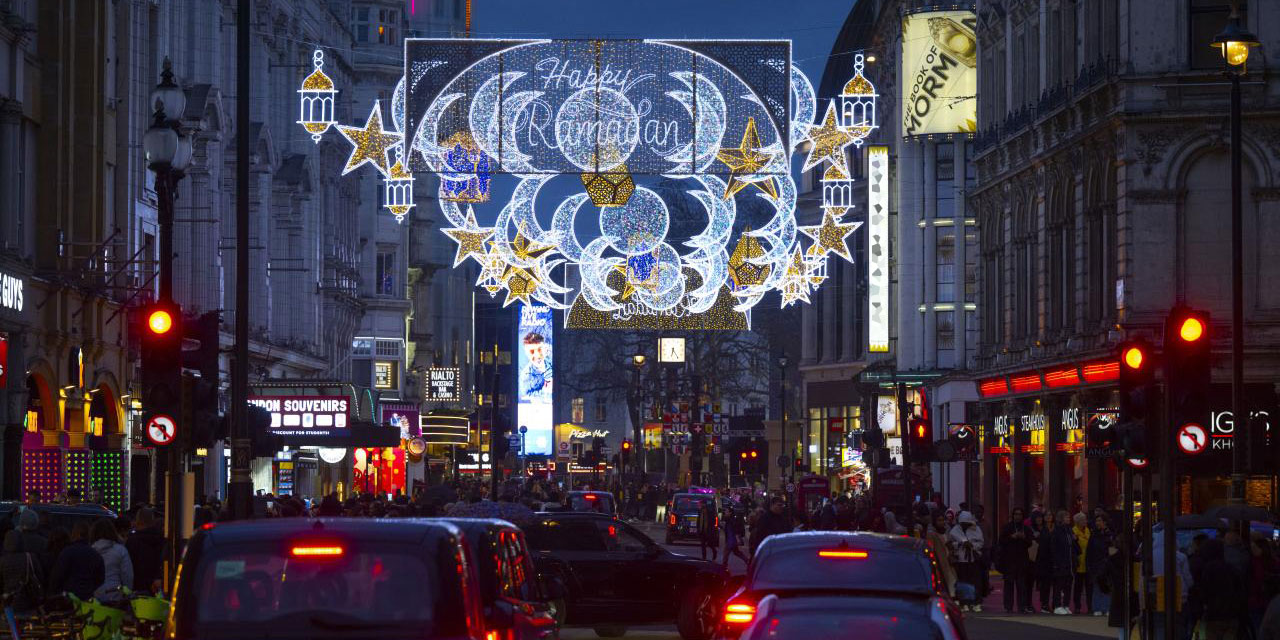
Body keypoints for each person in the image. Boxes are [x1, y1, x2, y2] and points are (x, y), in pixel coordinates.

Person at [1190, 538, 1243, 640]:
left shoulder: (1208, 569)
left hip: (1212, 616)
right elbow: (1240, 592)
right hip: (1231, 616)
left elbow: (1204, 593)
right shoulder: (1231, 568)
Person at [49, 521, 105, 600]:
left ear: (75, 534)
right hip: (87, 596)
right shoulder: (95, 554)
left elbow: (57, 576)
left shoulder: (67, 552)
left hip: (69, 596)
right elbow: (101, 578)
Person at [948, 511, 985, 612]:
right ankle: (964, 603)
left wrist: (972, 545)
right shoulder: (955, 530)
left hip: (973, 559)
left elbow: (981, 542)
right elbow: (950, 543)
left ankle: (976, 603)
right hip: (961, 559)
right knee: (963, 581)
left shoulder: (976, 529)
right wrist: (961, 544)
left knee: (975, 582)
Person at [91, 517, 134, 604]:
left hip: (95, 596)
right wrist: (127, 593)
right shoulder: (121, 550)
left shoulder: (90, 551)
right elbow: (127, 576)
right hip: (115, 595)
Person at [126, 507, 167, 595]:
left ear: (138, 521)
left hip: (138, 585)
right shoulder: (161, 539)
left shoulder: (132, 541)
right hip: (156, 586)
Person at [997, 507, 1030, 614]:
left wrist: (1023, 537)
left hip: (1022, 560)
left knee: (1021, 585)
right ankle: (1008, 606)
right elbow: (1001, 541)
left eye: (1020, 514)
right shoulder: (1007, 527)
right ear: (1013, 515)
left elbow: (1030, 542)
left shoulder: (1026, 528)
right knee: (1009, 585)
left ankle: (1022, 606)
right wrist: (1012, 537)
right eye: (1016, 514)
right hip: (1009, 560)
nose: (1018, 516)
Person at [1086, 514, 1115, 617]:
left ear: (1105, 522)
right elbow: (1089, 551)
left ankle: (1106, 608)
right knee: (1097, 587)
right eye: (1096, 521)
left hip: (1107, 564)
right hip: (1096, 564)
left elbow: (1113, 550)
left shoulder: (1110, 535)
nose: (1097, 523)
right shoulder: (1094, 535)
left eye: (1099, 521)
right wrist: (1089, 564)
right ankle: (1097, 608)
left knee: (1107, 587)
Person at [1049, 509, 1075, 615]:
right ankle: (1057, 605)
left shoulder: (1069, 530)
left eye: (1069, 517)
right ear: (1061, 518)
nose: (1068, 519)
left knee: (1068, 585)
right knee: (1059, 585)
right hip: (1060, 563)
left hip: (1069, 562)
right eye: (1066, 517)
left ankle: (1066, 605)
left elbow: (1072, 545)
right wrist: (1057, 562)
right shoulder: (1057, 531)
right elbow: (1054, 548)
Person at [1028, 510, 1053, 613]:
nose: (1039, 519)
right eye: (1037, 517)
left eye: (1040, 517)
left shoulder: (1045, 529)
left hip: (1045, 560)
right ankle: (1028, 604)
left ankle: (1045, 604)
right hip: (1032, 560)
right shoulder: (1030, 529)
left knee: (1045, 584)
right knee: (1030, 584)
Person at [1071, 512, 1093, 614]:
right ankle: (1077, 606)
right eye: (1083, 520)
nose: (1085, 521)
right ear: (1078, 521)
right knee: (1078, 587)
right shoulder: (1073, 531)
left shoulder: (1088, 531)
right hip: (1079, 563)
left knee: (1089, 587)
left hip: (1088, 563)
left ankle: (1090, 606)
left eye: (1085, 519)